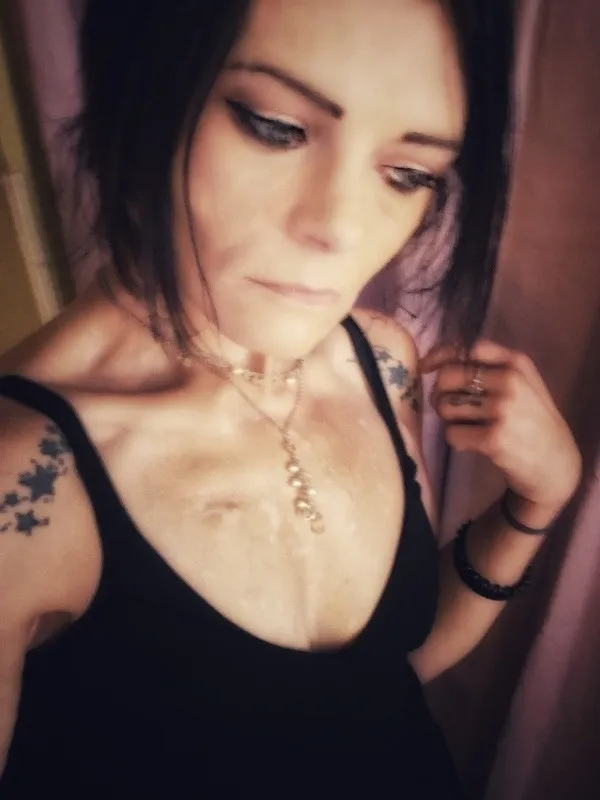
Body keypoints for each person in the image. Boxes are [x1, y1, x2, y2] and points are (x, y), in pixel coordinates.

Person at [0, 0, 582, 796]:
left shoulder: (382, 362)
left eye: (408, 173)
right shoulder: (22, 482)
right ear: (139, 86)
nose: (339, 227)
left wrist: (535, 504)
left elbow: (385, 672)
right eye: (274, 127)